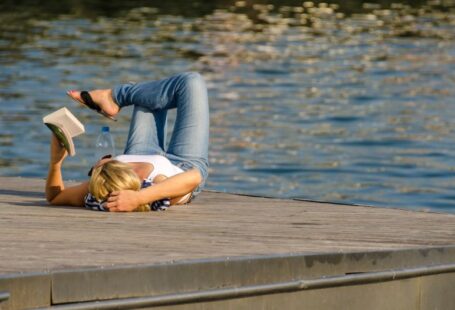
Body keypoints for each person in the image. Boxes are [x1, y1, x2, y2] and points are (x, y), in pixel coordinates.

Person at [45, 72, 209, 212]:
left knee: (148, 94)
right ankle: (115, 97)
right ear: (108, 168)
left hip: (139, 152)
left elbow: (56, 196)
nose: (93, 169)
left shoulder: (98, 189)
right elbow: (194, 178)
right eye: (94, 170)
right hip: (184, 164)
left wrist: (55, 163)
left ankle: (114, 98)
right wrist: (139, 198)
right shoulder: (151, 186)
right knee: (192, 82)